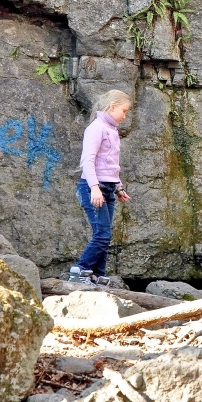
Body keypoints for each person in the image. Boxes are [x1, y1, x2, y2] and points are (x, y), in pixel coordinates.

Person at [68, 89, 132, 285]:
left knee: (105, 234)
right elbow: (88, 161)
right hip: (92, 187)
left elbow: (110, 165)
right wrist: (94, 188)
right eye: (124, 110)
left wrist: (119, 187)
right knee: (102, 234)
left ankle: (97, 275)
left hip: (108, 188)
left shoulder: (112, 130)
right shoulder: (96, 128)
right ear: (112, 107)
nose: (125, 115)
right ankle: (79, 269)